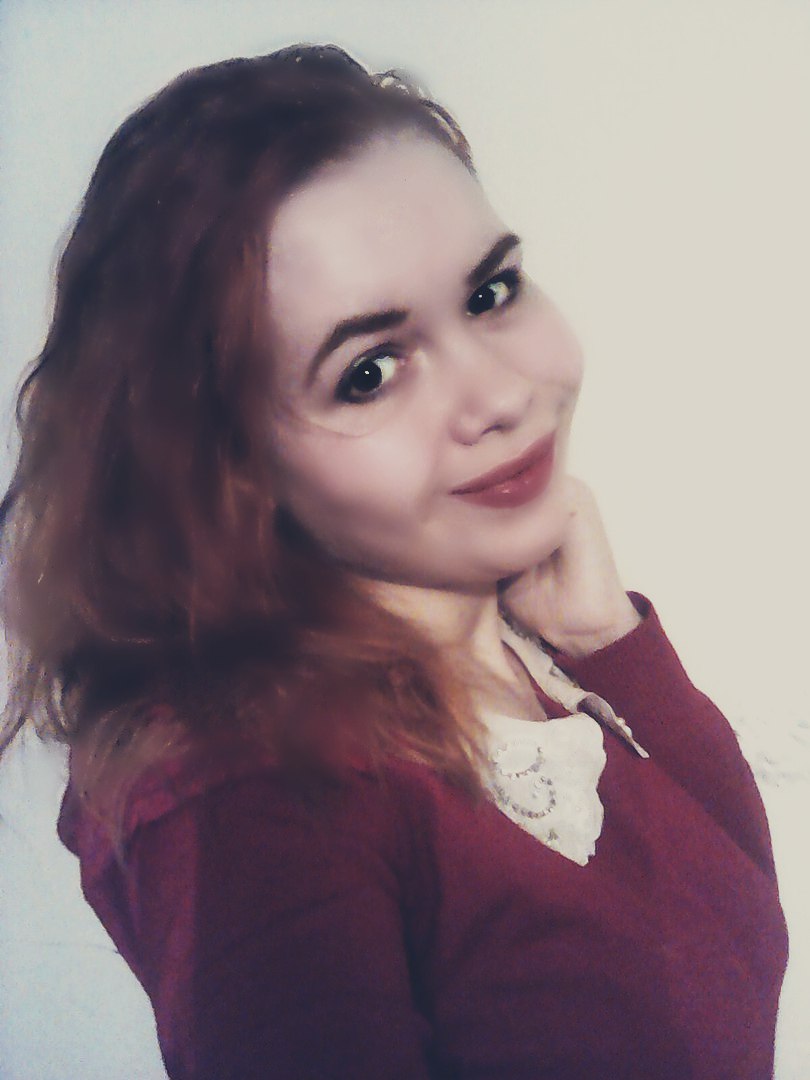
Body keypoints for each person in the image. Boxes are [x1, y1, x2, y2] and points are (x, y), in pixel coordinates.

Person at [0, 43, 787, 1079]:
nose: (499, 395)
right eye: (369, 371)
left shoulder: (538, 648)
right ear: (228, 466)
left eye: (491, 292)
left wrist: (609, 642)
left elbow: (740, 926)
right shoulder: (254, 793)